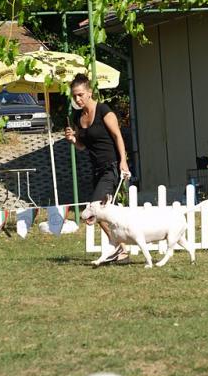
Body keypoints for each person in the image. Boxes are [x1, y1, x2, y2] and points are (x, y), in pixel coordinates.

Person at [65, 73, 130, 264]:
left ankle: (121, 248)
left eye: (80, 94)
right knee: (101, 211)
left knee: (95, 208)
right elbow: (83, 146)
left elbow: (118, 136)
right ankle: (121, 247)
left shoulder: (104, 111)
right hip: (95, 169)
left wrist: (123, 162)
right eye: (74, 96)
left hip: (111, 167)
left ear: (89, 92)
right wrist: (73, 140)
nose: (77, 99)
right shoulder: (78, 117)